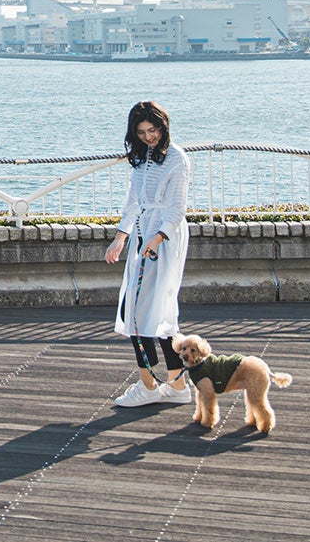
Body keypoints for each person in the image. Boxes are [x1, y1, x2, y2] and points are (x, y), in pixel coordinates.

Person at [103, 99, 192, 407]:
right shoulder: (142, 157)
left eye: (152, 130)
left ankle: (149, 386)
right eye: (141, 132)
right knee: (155, 313)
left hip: (164, 239)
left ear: (163, 127)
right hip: (143, 235)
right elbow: (133, 201)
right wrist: (120, 238)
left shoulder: (177, 158)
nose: (148, 137)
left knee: (140, 313)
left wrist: (155, 240)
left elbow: (177, 209)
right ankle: (178, 386)